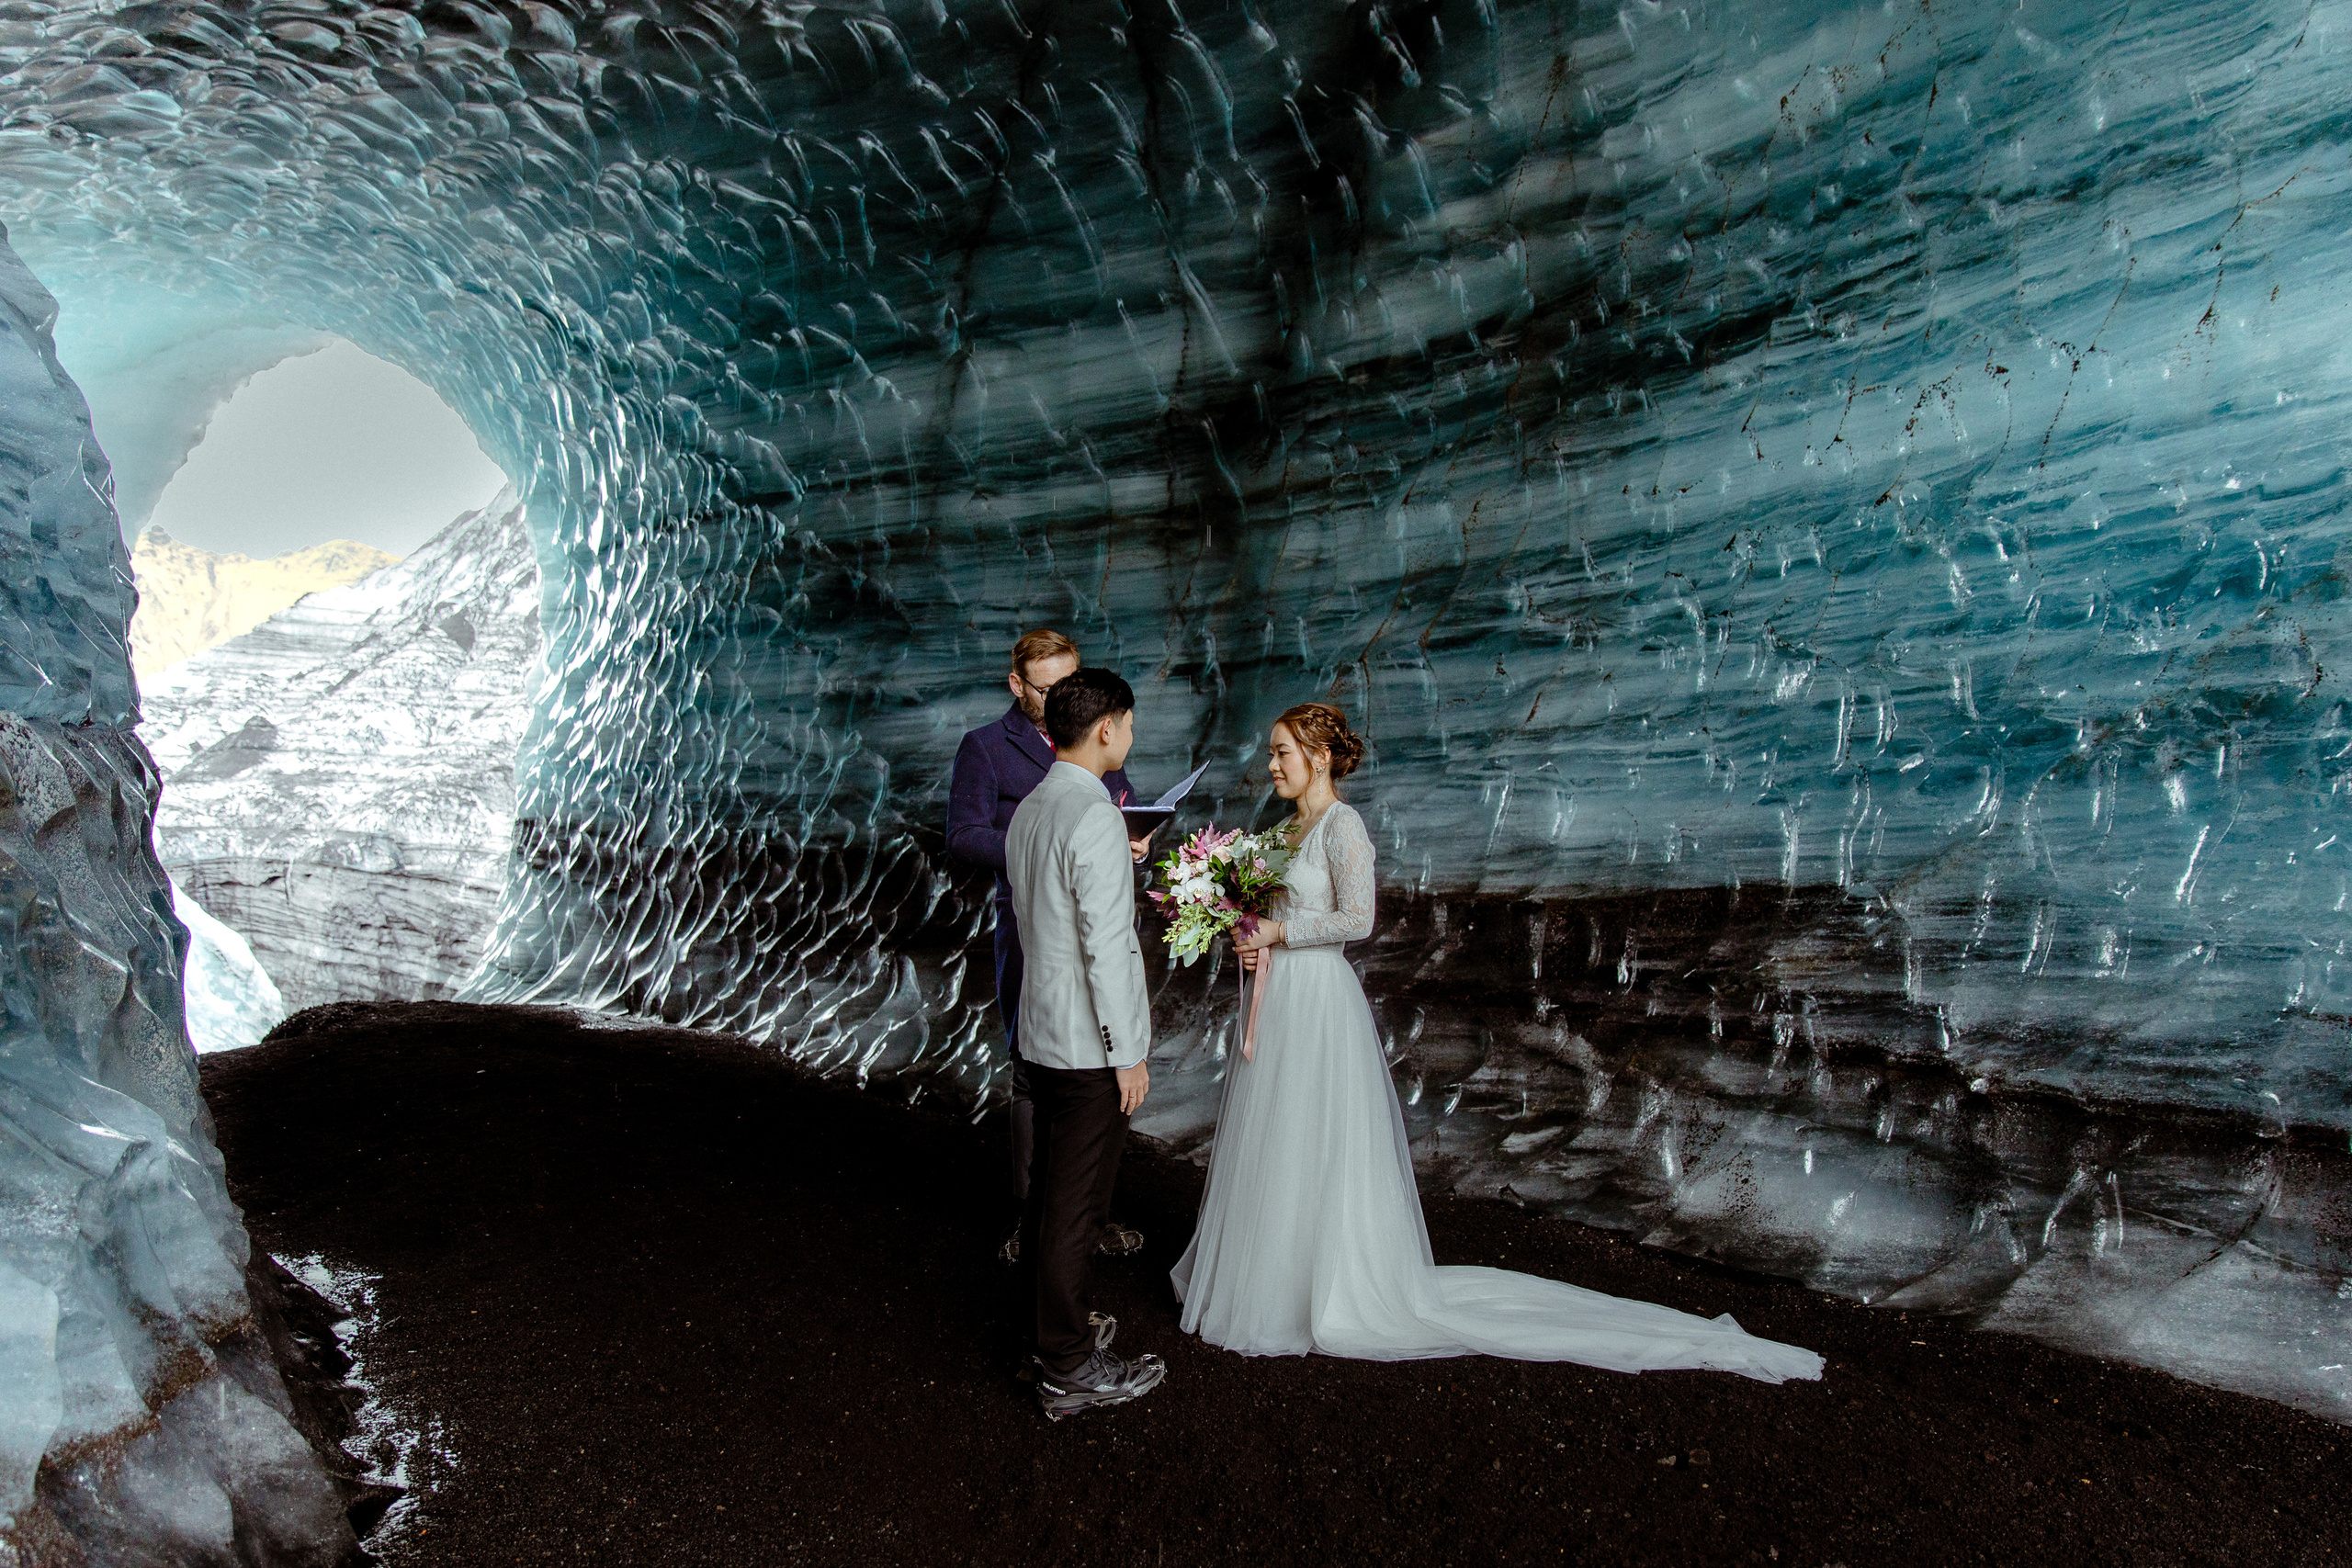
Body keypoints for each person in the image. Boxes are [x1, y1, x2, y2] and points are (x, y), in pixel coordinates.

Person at [1170, 702, 1825, 1382]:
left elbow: (1358, 919)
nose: (1271, 764)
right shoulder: (1283, 829)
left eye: (1281, 752)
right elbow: (1275, 911)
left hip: (1320, 1002)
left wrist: (1281, 934)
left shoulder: (1343, 825)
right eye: (1272, 753)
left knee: (1314, 1136)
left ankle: (1320, 1289)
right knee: (1278, 1136)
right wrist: (1250, 935)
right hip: (1281, 1003)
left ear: (1320, 756)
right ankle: (1270, 1282)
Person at [947, 630, 1149, 1263]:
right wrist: (1036, 844)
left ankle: (1088, 1215)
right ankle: (1032, 1219)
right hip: (1030, 926)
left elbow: (1122, 803)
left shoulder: (1095, 734)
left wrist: (1136, 835)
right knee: (1035, 1078)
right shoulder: (984, 748)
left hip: (1096, 911)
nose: (1065, 695)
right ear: (1017, 684)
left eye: (1071, 680)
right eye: (1049, 685)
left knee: (1097, 1082)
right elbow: (961, 837)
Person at [1004, 668, 1166, 1419]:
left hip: (1040, 1032)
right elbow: (1104, 944)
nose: (1129, 738)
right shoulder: (1096, 816)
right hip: (1088, 1048)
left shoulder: (1033, 808)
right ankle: (1068, 1364)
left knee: (1045, 1203)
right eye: (1128, 726)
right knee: (1074, 1208)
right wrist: (1127, 1050)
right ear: (1107, 728)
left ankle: (1042, 1336)